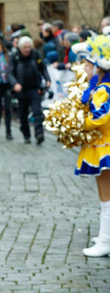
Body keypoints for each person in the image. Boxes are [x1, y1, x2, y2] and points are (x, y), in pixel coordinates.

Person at [73, 36, 110, 257]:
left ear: (98, 68)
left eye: (87, 65)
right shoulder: (100, 87)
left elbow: (100, 117)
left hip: (104, 146)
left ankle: (105, 241)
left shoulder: (103, 89)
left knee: (106, 196)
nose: (84, 68)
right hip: (102, 144)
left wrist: (78, 123)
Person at [8, 36, 51, 145]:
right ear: (20, 48)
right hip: (21, 91)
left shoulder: (35, 54)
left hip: (34, 88)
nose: (27, 49)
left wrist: (47, 79)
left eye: (29, 47)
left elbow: (43, 67)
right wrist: (15, 84)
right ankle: (26, 135)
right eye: (25, 47)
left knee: (37, 112)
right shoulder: (14, 57)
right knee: (23, 115)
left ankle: (39, 134)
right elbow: (10, 73)